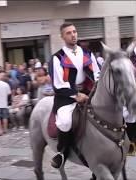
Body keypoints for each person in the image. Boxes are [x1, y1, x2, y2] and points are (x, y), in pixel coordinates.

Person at [48, 22, 100, 169]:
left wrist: (97, 88)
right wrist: (76, 95)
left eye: (74, 31)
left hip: (89, 93)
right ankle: (62, 152)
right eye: (69, 33)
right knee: (65, 121)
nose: (73, 35)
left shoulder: (87, 53)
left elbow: (97, 73)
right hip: (66, 96)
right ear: (62, 36)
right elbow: (59, 84)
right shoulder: (57, 58)